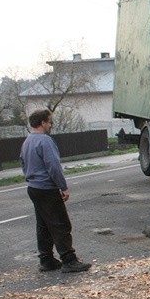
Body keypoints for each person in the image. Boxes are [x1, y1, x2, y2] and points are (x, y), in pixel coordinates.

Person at [19, 109, 92, 273]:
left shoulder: (27, 141)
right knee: (61, 224)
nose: (50, 125)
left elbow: (23, 163)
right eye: (49, 122)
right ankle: (69, 260)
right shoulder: (45, 141)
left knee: (44, 225)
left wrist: (31, 178)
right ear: (43, 122)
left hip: (33, 188)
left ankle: (46, 260)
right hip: (47, 188)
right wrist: (63, 187)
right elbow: (53, 166)